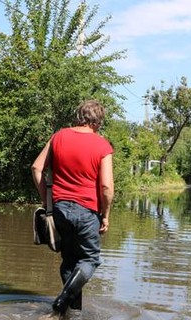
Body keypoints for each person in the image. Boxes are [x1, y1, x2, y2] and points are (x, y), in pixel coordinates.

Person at [31, 100, 114, 318]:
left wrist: (47, 201)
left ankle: (72, 313)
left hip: (59, 209)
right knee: (90, 260)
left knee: (69, 261)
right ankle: (62, 302)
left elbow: (36, 168)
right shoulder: (102, 145)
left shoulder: (58, 136)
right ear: (97, 122)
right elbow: (106, 187)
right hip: (87, 211)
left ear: (78, 116)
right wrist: (105, 216)